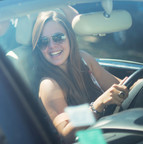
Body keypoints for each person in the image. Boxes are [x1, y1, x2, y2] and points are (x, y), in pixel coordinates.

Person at [31, 10, 129, 143]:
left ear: (70, 37)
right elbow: (68, 134)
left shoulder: (84, 59)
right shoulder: (49, 84)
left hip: (110, 130)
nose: (52, 46)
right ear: (38, 47)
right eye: (43, 41)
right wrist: (98, 105)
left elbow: (122, 86)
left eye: (58, 37)